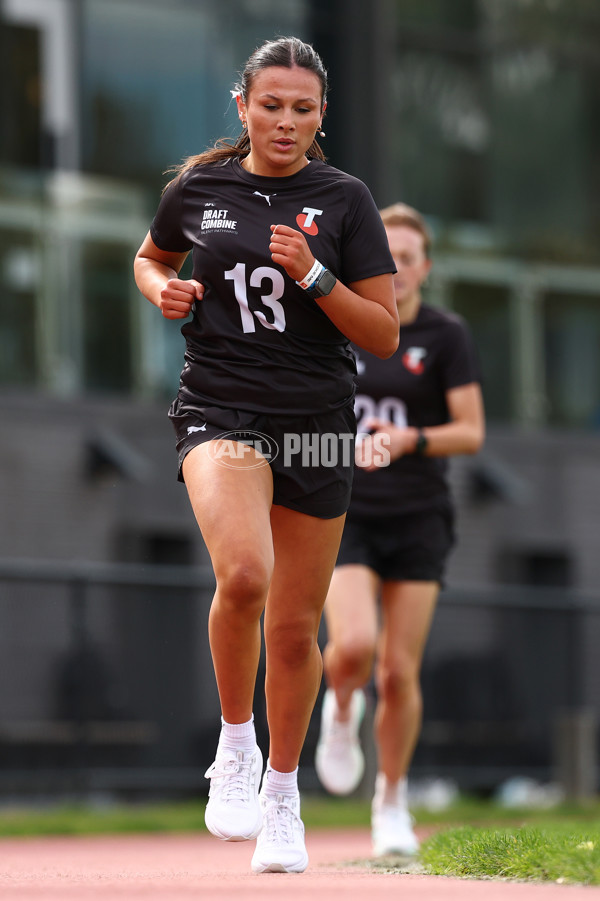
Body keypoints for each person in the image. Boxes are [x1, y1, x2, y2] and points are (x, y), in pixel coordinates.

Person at [133, 37, 398, 874]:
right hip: (220, 408)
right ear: (242, 105)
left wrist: (319, 277)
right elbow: (150, 257)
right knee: (242, 574)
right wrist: (160, 289)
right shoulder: (199, 189)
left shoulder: (344, 200)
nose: (286, 121)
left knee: (292, 630)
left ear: (322, 117)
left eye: (303, 108)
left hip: (316, 422)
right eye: (271, 104)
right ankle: (236, 744)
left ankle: (284, 795)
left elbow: (385, 334)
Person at [314, 203, 485, 857]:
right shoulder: (342, 324)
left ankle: (390, 799)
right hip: (347, 509)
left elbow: (471, 431)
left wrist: (409, 438)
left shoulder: (446, 335)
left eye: (410, 256)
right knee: (353, 646)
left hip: (418, 515)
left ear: (425, 267)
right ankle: (339, 706)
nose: (399, 267)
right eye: (389, 254)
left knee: (398, 669)